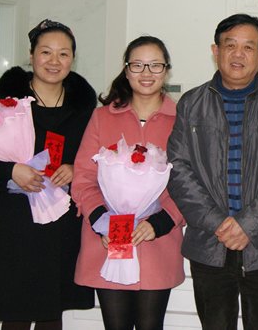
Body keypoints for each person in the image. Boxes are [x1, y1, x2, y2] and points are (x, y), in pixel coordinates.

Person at [167, 13, 258, 330]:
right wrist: (218, 223)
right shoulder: (190, 104)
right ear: (215, 51)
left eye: (248, 47)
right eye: (230, 45)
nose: (238, 54)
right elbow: (178, 168)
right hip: (209, 241)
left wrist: (247, 224)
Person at [0, 19, 96, 330]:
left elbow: (97, 159)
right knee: (17, 310)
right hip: (17, 222)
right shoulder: (6, 106)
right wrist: (11, 171)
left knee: (53, 309)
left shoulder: (84, 108)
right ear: (31, 55)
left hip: (62, 222)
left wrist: (76, 169)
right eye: (46, 52)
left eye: (63, 54)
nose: (54, 61)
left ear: (73, 59)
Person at [72, 36, 185, 330]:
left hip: (157, 238)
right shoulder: (101, 118)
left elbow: (190, 183)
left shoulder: (182, 120)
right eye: (137, 65)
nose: (146, 73)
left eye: (155, 65)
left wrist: (162, 221)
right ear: (126, 69)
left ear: (166, 70)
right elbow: (83, 177)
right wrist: (102, 221)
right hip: (108, 238)